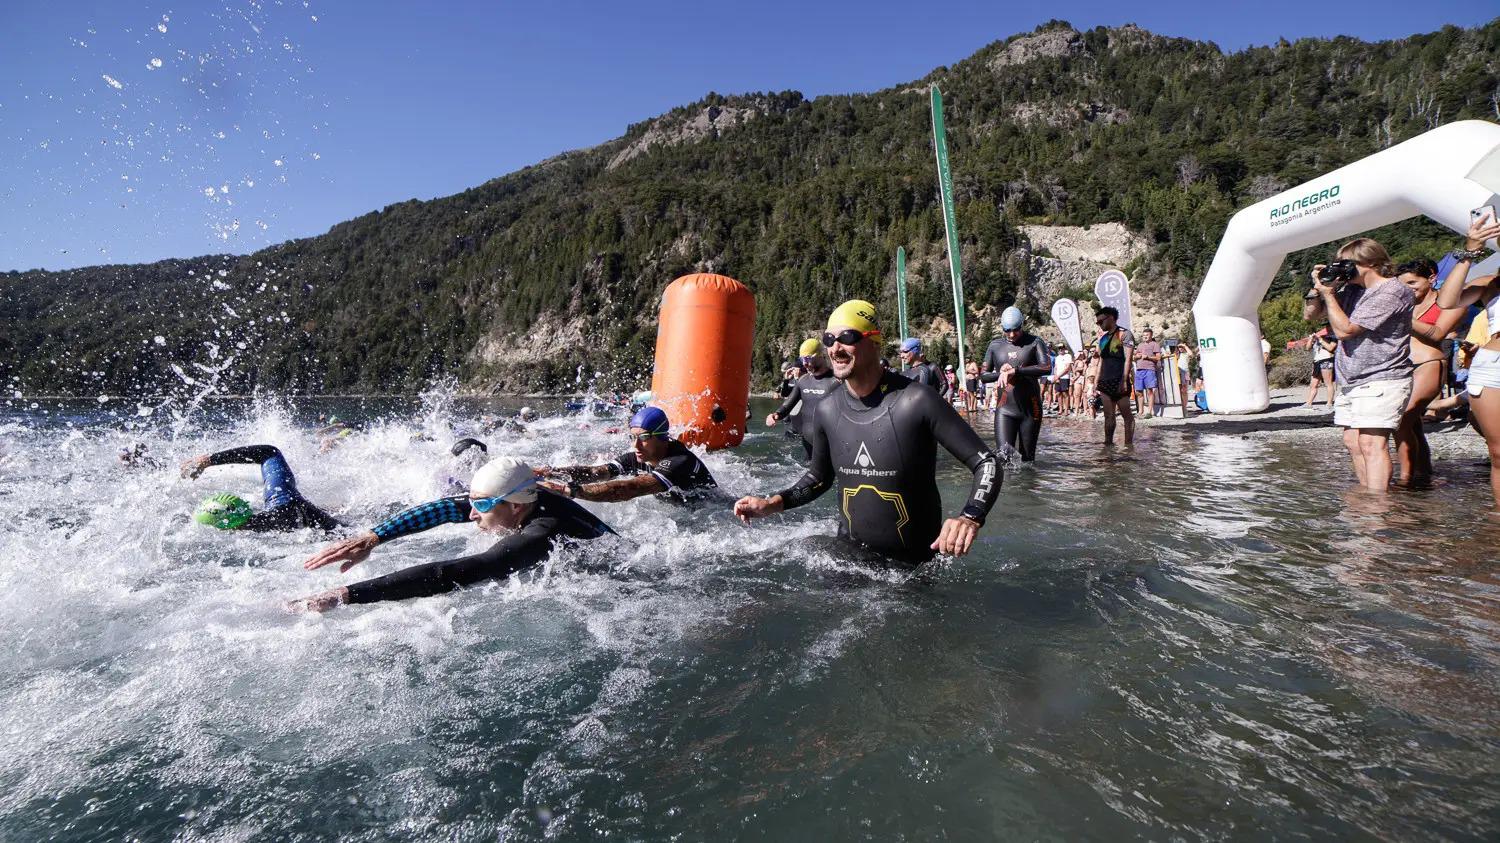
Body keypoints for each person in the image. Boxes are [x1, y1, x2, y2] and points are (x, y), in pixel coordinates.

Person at [733, 300, 1001, 563]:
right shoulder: (827, 409)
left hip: (912, 569)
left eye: (847, 337)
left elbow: (987, 463)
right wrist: (771, 504)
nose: (834, 348)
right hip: (847, 561)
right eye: (828, 339)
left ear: (875, 342)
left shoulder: (916, 401)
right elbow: (818, 478)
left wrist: (970, 516)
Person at [289, 457, 615, 611]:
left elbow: (449, 574)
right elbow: (442, 509)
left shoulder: (542, 533)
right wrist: (374, 537)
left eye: (481, 506)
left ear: (515, 507)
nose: (471, 514)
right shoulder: (520, 500)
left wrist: (344, 594)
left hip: (621, 580)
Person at [1302, 237, 1415, 492]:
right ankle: (1368, 499)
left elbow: (1345, 330)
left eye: (1347, 263)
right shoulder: (1352, 290)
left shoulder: (1393, 291)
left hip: (1383, 375)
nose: (1343, 268)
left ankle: (1378, 508)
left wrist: (1329, 295)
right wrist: (1317, 288)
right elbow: (1310, 315)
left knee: (1371, 444)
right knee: (1353, 441)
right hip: (1352, 379)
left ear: (1371, 261)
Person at [1434, 213, 1500, 504]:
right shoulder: (1492, 283)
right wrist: (1470, 251)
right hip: (1492, 369)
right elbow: (1446, 301)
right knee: (1499, 452)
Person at [536, 406, 718, 504]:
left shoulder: (679, 461)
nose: (635, 445)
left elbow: (631, 488)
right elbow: (596, 473)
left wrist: (569, 491)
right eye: (633, 437)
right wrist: (550, 473)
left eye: (644, 438)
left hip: (712, 512)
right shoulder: (638, 456)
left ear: (662, 438)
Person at [181, 444, 342, 532]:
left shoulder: (264, 525)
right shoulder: (281, 501)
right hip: (293, 508)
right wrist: (208, 460)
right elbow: (269, 452)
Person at [1395, 258, 1453, 486]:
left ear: (1431, 277)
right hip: (1403, 367)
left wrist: (1403, 317)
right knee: (1414, 425)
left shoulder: (1446, 302)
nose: (1408, 289)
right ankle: (1424, 473)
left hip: (1429, 364)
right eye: (1403, 285)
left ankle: (1405, 479)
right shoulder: (1406, 303)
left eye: (1412, 282)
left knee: (1401, 420)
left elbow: (1438, 333)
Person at [980, 306, 1052, 462]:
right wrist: (1002, 373)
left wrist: (1016, 371)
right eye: (1007, 330)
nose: (1012, 335)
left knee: (1027, 461)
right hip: (1005, 409)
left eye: (1016, 330)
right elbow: (983, 376)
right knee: (1004, 458)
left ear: (1022, 325)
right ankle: (1009, 487)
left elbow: (1047, 367)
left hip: (1031, 410)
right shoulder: (995, 346)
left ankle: (1027, 487)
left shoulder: (1034, 342)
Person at [767, 338, 835, 459]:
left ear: (821, 355)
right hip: (808, 445)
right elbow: (788, 404)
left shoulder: (837, 381)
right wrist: (776, 415)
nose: (804, 363)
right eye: (801, 359)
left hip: (833, 446)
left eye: (808, 358)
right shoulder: (803, 381)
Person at [1090, 307, 1136, 444]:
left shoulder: (1124, 334)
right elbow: (1101, 361)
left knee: (1126, 415)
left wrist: (1124, 380)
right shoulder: (1103, 339)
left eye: (1100, 321)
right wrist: (1096, 382)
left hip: (1119, 379)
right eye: (1097, 323)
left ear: (1110, 317)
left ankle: (1128, 446)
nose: (1099, 324)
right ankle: (1108, 445)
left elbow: (1128, 359)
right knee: (1108, 416)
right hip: (1105, 381)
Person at [1304, 327, 1337, 408]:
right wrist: (1311, 339)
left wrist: (1321, 339)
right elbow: (1307, 348)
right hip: (1317, 361)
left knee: (1328, 383)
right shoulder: (1317, 338)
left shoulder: (1334, 337)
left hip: (1327, 360)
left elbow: (1331, 348)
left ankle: (1329, 403)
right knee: (1313, 384)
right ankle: (1308, 403)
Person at [1133, 328, 1163, 417]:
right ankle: (1140, 412)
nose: (1145, 336)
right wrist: (1136, 356)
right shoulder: (1140, 345)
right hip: (1139, 370)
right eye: (1144, 335)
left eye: (1147, 335)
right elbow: (1134, 357)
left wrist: (1148, 357)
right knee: (1138, 391)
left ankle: (1149, 412)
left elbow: (1158, 358)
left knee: (1150, 391)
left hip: (1149, 369)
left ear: (1151, 335)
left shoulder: (1155, 344)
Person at [1050, 345, 1074, 417]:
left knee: (1065, 394)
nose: (1060, 350)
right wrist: (1055, 376)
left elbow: (1067, 368)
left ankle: (1066, 410)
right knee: (1058, 393)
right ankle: (1060, 409)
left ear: (1064, 349)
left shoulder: (1068, 356)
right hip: (1058, 377)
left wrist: (1058, 376)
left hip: (1065, 377)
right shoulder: (1057, 357)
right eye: (1059, 348)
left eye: (1061, 348)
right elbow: (1056, 367)